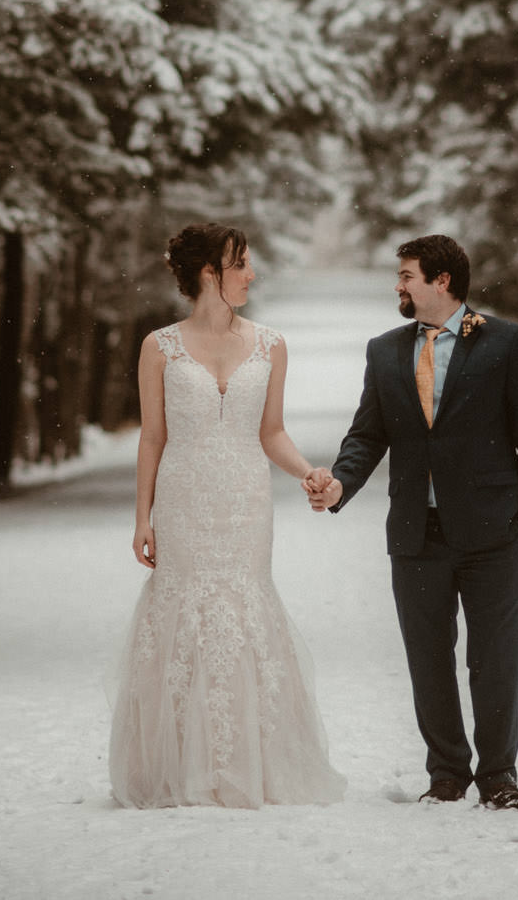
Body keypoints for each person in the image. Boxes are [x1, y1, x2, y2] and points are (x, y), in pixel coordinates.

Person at [305, 234, 518, 811]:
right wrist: (340, 484)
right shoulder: (385, 350)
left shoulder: (506, 341)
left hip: (496, 533)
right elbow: (368, 434)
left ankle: (498, 776)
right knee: (428, 658)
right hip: (417, 532)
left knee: (495, 659)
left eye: (408, 275)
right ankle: (446, 773)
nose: (399, 285)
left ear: (442, 280)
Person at [110, 223, 345, 809]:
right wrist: (143, 518)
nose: (251, 274)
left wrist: (308, 472)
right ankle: (178, 763)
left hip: (245, 497)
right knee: (184, 607)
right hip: (185, 496)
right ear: (210, 271)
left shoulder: (271, 345)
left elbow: (271, 431)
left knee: (243, 606)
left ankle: (249, 761)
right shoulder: (158, 346)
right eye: (242, 264)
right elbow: (152, 439)